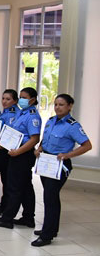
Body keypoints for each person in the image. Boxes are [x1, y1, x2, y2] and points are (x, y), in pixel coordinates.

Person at [32, 94, 92, 246]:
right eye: (56, 104)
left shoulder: (73, 126)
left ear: (70, 106)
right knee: (50, 198)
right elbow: (45, 139)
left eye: (61, 105)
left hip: (59, 164)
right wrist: (39, 148)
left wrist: (68, 155)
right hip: (46, 162)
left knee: (50, 198)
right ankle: (51, 229)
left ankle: (46, 236)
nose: (57, 107)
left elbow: (87, 145)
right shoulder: (51, 120)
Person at [0, 87, 42, 230]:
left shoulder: (32, 116)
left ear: (32, 99)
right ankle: (28, 218)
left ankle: (7, 219)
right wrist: (3, 143)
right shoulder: (22, 113)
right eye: (20, 97)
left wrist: (18, 152)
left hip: (22, 154)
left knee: (14, 187)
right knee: (25, 187)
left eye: (24, 97)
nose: (21, 100)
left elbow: (34, 139)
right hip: (16, 151)